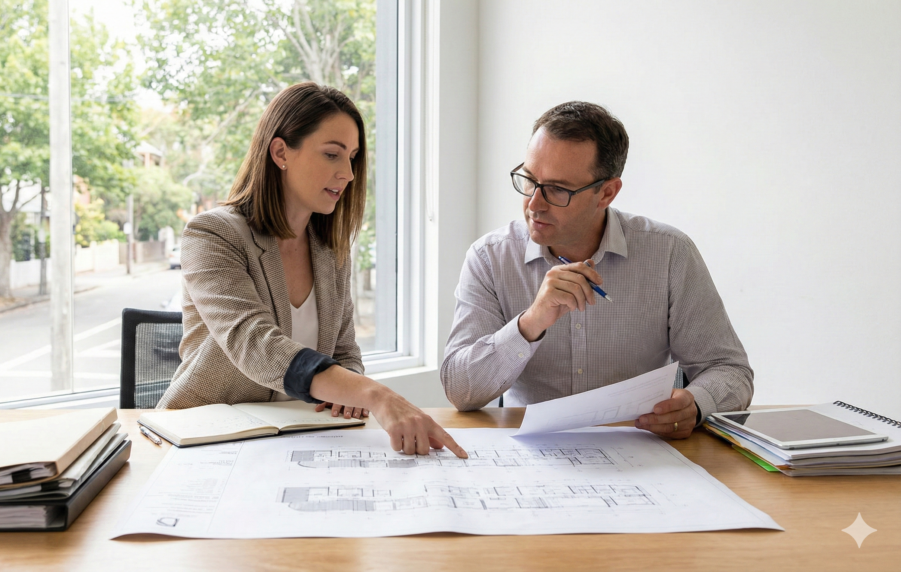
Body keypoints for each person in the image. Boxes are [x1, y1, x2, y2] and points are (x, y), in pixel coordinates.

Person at [157, 83, 466, 458]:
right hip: (207, 438)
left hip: (301, 439)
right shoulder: (212, 234)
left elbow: (345, 351)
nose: (349, 174)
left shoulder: (330, 250)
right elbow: (253, 344)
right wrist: (372, 393)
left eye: (352, 157)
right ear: (281, 152)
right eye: (332, 155)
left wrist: (349, 388)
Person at [441, 101, 753, 438]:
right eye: (530, 180)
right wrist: (531, 323)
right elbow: (460, 391)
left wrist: (695, 403)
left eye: (558, 189)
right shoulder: (490, 257)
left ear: (607, 192)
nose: (534, 203)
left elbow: (730, 370)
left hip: (640, 451)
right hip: (530, 454)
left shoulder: (669, 253)